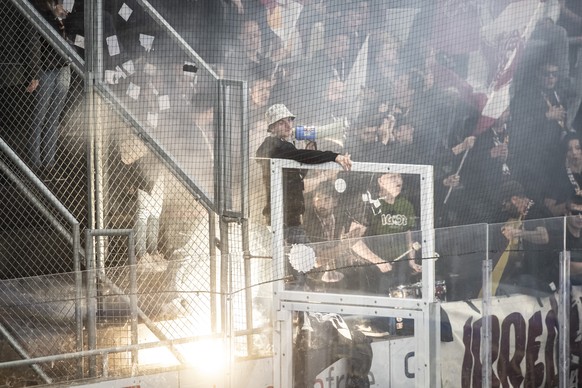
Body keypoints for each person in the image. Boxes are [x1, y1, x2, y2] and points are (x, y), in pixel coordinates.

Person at [255, 103, 352, 244]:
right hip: (281, 221)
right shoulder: (273, 145)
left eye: (289, 120)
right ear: (272, 127)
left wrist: (310, 151)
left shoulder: (283, 148)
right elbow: (301, 156)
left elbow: (298, 178)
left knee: (301, 261)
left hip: (290, 220)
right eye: (282, 122)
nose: (288, 126)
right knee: (304, 259)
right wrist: (334, 156)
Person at [349, 172, 421, 294]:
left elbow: (408, 235)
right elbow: (352, 241)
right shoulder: (369, 205)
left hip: (400, 269)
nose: (398, 181)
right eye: (392, 177)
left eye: (399, 176)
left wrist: (411, 261)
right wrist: (379, 262)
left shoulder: (405, 204)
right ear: (380, 181)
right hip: (375, 270)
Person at [27, 0, 72, 170]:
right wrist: (34, 73)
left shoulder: (62, 7)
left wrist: (63, 16)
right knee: (39, 116)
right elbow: (33, 41)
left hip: (63, 66)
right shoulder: (37, 7)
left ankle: (50, 162)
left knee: (54, 117)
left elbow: (72, 30)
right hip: (45, 68)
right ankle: (35, 163)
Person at [544, 133, 582, 217]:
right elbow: (548, 210)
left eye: (578, 148)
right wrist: (567, 206)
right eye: (569, 149)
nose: (574, 152)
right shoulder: (556, 176)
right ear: (565, 153)